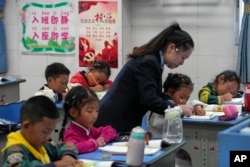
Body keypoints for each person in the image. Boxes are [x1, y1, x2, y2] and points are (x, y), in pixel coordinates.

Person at [94, 22, 194, 133]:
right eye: (183, 57)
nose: (182, 63)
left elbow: (154, 94)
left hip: (120, 119)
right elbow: (149, 99)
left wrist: (174, 104)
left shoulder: (154, 61)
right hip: (113, 121)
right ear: (171, 48)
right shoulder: (149, 62)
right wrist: (177, 109)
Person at [1, 96, 82, 167]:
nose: (49, 137)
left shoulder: (41, 144)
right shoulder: (15, 150)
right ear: (27, 126)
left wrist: (67, 156)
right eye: (45, 132)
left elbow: (67, 145)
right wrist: (54, 165)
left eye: (50, 131)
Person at [59, 86, 117, 154]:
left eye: (97, 110)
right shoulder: (71, 133)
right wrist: (95, 143)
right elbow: (74, 147)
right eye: (90, 111)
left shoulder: (90, 130)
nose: (95, 115)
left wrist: (102, 139)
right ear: (73, 112)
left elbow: (110, 130)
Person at [148, 73, 206, 138]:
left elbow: (190, 103)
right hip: (158, 141)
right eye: (181, 97)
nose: (184, 101)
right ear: (170, 92)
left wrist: (197, 106)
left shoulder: (177, 103)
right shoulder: (163, 104)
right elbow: (156, 122)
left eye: (187, 98)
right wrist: (179, 111)